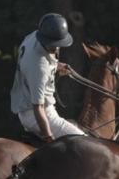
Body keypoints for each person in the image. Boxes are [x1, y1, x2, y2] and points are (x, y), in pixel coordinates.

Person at [10, 13, 86, 141]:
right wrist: (49, 137)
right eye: (53, 44)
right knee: (84, 142)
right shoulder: (39, 67)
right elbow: (38, 108)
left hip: (26, 101)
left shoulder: (33, 36)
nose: (56, 48)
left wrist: (55, 66)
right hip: (35, 113)